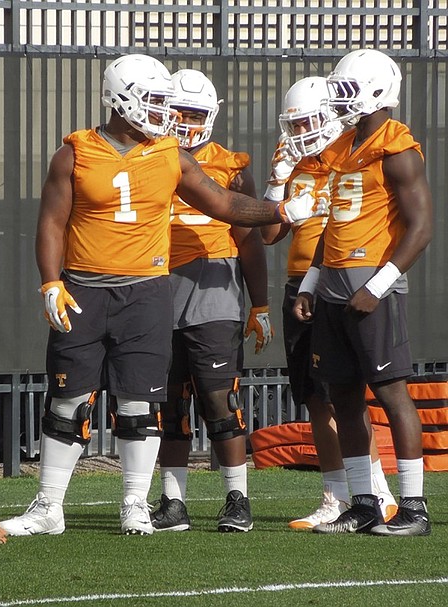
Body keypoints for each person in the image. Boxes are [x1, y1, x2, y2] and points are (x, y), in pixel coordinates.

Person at [0, 53, 325, 537]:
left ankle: (134, 503)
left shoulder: (171, 153)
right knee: (67, 400)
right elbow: (51, 222)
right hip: (84, 287)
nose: (160, 111)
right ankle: (48, 506)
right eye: (150, 100)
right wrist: (51, 281)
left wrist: (282, 212)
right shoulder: (75, 152)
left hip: (147, 292)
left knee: (139, 403)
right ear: (117, 99)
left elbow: (224, 203)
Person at [294, 49, 433, 536]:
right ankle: (364, 503)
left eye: (347, 91)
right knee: (344, 397)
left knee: (392, 394)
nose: (340, 101)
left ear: (377, 92)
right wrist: (312, 281)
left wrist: (378, 285)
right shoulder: (342, 147)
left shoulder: (397, 148)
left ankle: (414, 508)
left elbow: (421, 227)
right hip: (333, 284)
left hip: (373, 282)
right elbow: (333, 223)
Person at [261, 76, 397, 530]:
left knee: (348, 396)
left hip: (345, 283)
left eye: (309, 120)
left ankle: (377, 491)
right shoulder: (297, 166)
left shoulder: (352, 161)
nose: (301, 131)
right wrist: (277, 183)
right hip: (299, 286)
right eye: (295, 123)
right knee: (317, 399)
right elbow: (268, 234)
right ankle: (335, 496)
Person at [151, 69, 272, 534]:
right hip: (157, 286)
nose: (185, 121)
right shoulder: (151, 156)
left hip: (212, 289)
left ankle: (236, 498)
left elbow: (250, 240)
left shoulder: (230, 164)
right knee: (168, 404)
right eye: (178, 111)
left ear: (211, 115)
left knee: (220, 399)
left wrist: (259, 304)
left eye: (195, 113)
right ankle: (173, 502)